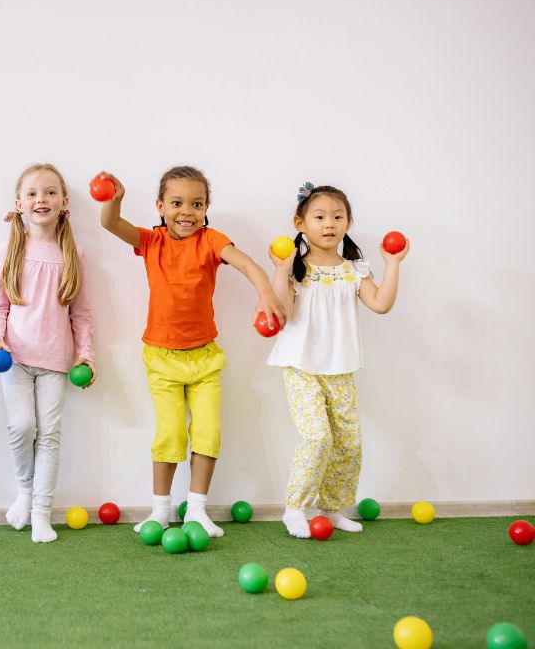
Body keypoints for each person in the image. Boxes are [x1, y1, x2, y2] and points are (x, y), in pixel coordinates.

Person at [99, 166, 283, 537]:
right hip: (162, 358)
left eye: (197, 204)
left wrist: (265, 293)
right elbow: (110, 223)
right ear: (160, 206)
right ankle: (160, 511)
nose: (187, 211)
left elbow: (246, 263)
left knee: (208, 433)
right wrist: (114, 200)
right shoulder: (151, 241)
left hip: (204, 358)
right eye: (177, 203)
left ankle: (197, 510)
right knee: (170, 435)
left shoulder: (211, 240)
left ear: (206, 208)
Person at [267, 183, 408, 538]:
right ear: (300, 223)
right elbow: (282, 312)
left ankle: (330, 509)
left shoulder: (355, 270)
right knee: (317, 438)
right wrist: (281, 269)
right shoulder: (296, 268)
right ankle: (295, 508)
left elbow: (381, 304)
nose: (329, 223)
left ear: (348, 222)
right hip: (301, 366)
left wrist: (392, 264)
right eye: (319, 217)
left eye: (337, 216)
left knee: (348, 443)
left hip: (340, 368)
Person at [0, 164, 96, 543]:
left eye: (50, 192)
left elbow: (81, 313)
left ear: (64, 202)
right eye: (32, 193)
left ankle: (41, 513)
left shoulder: (73, 254)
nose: (41, 199)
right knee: (22, 427)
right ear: (18, 204)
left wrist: (86, 354)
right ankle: (25, 492)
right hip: (14, 358)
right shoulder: (11, 250)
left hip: (55, 361)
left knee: (49, 434)